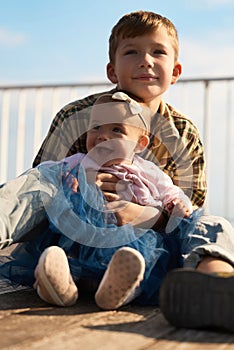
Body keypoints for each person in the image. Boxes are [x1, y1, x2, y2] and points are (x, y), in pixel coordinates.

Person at [0, 10, 234, 332]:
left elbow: (186, 210)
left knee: (210, 221)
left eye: (158, 52)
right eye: (132, 51)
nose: (146, 61)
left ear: (176, 71)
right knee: (36, 184)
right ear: (112, 70)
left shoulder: (183, 133)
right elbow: (43, 183)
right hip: (71, 231)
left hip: (147, 241)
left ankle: (215, 279)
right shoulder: (79, 115)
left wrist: (142, 212)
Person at [0, 92, 195, 311]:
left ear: (140, 144)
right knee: (66, 242)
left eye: (116, 130)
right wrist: (68, 180)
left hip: (127, 233)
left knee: (142, 255)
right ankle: (59, 284)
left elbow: (170, 191)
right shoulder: (79, 161)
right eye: (96, 127)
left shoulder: (148, 171)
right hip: (81, 235)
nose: (102, 136)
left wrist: (179, 203)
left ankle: (123, 289)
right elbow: (48, 170)